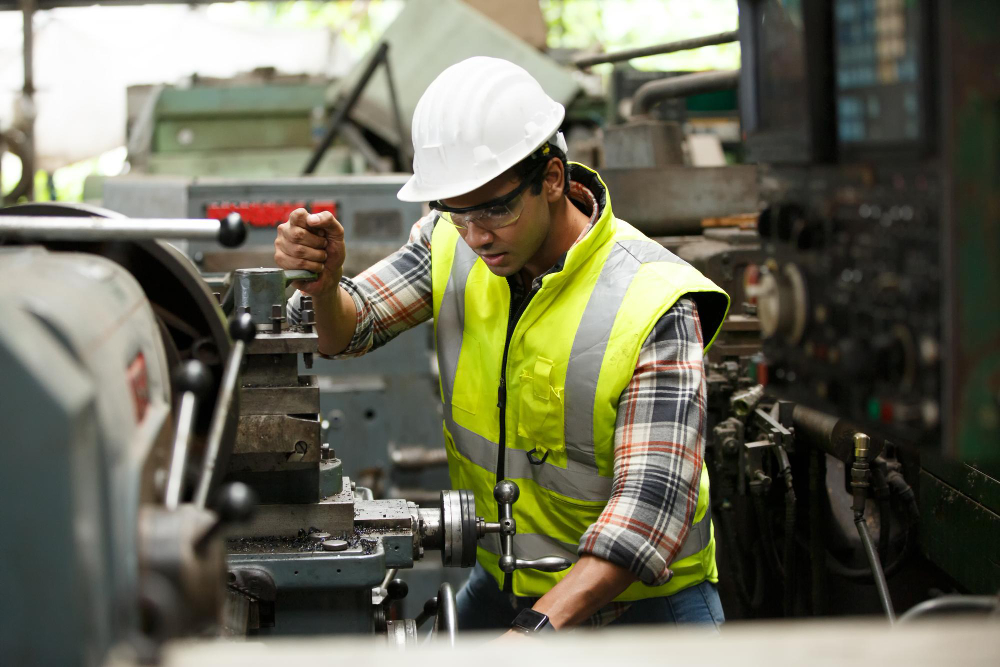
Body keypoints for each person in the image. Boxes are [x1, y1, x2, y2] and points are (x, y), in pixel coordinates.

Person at [274, 56, 729, 637]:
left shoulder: (655, 304)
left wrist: (533, 632)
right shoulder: (452, 242)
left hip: (644, 604)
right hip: (510, 579)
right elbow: (348, 329)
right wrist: (324, 285)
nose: (476, 235)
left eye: (496, 208)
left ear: (554, 178)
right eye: (455, 211)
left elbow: (647, 516)